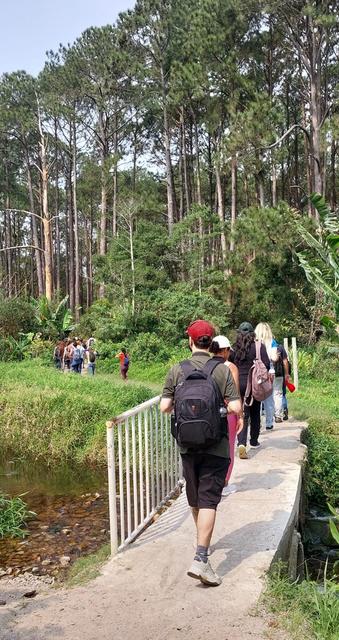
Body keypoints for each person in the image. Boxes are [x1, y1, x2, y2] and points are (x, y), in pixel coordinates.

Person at [160, 319, 242, 586]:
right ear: (212, 342)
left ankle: (201, 549)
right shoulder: (222, 370)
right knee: (209, 500)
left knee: (196, 499)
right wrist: (222, 409)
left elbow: (164, 406)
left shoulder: (177, 370)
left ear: (190, 341)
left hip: (187, 445)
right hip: (215, 446)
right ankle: (201, 558)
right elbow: (237, 407)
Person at [229, 322, 270, 459]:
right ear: (253, 333)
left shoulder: (234, 348)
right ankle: (253, 440)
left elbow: (230, 364)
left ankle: (241, 442)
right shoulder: (259, 346)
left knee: (242, 414)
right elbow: (267, 365)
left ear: (239, 333)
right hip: (254, 384)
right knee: (255, 412)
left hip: (237, 383)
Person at [209, 335, 243, 496]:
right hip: (227, 411)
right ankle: (224, 483)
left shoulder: (205, 365)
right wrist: (241, 416)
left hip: (209, 412)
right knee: (228, 448)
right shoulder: (230, 367)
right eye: (228, 350)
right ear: (224, 350)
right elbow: (235, 393)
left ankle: (211, 481)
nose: (229, 353)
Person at [254, 323, 276, 431]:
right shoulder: (272, 342)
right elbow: (274, 357)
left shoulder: (255, 343)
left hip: (256, 372)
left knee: (257, 397)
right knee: (269, 398)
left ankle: (257, 422)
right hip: (268, 371)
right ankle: (269, 422)